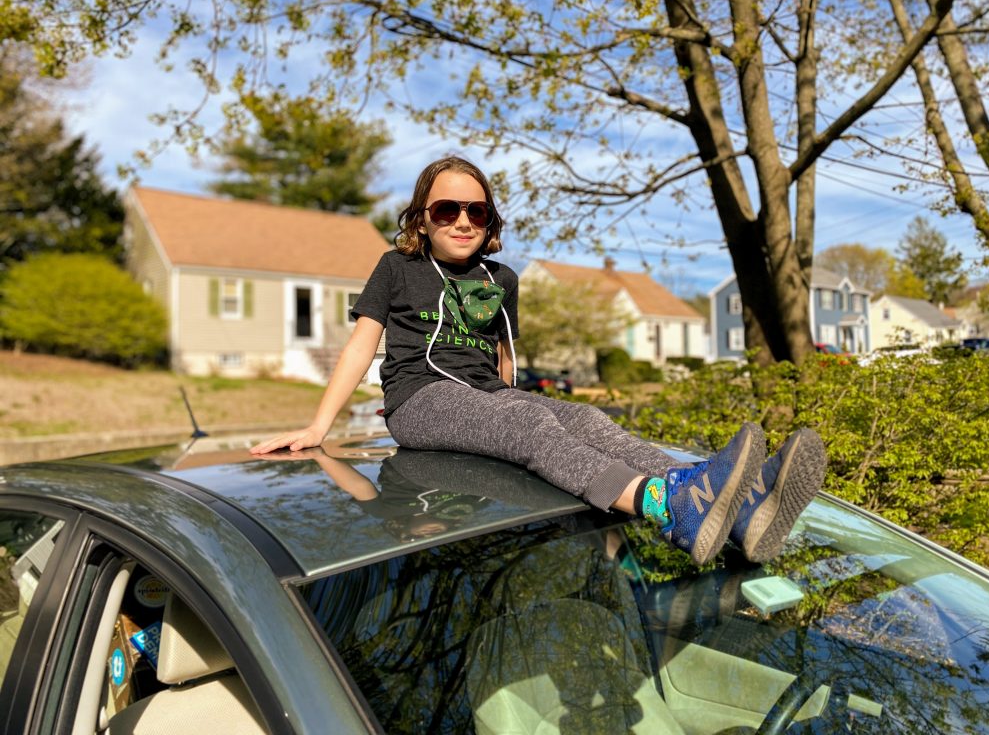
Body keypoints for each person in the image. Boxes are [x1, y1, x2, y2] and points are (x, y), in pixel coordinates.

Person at [251, 156, 826, 565]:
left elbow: (503, 362)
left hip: (482, 399)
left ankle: (735, 510)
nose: (462, 221)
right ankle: (667, 507)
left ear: (490, 221)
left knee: (586, 420)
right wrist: (319, 427)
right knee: (526, 424)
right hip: (419, 397)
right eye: (447, 208)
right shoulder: (396, 267)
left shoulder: (501, 278)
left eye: (477, 212)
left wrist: (487, 417)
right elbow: (361, 344)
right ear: (421, 218)